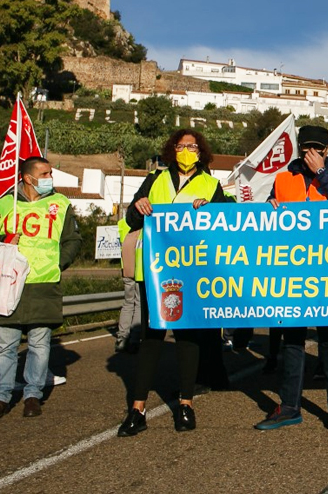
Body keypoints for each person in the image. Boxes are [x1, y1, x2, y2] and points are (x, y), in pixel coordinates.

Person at [118, 129, 233, 436]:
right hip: (154, 272)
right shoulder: (155, 180)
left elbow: (224, 225)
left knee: (188, 337)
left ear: (201, 152)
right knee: (152, 337)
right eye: (181, 146)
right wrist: (139, 208)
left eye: (192, 146)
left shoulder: (211, 184)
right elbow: (131, 217)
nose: (186, 150)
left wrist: (208, 212)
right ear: (172, 150)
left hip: (192, 272)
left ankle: (185, 404)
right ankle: (137, 409)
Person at [256, 125, 328, 431]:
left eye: (319, 149)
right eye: (307, 148)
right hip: (293, 272)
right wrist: (270, 206)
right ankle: (289, 406)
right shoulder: (284, 177)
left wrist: (322, 172)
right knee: (292, 340)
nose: (312, 154)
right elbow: (267, 218)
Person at [0, 157, 81, 419]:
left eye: (50, 173)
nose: (50, 178)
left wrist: (58, 263)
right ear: (28, 177)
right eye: (45, 173)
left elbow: (72, 239)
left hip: (44, 283)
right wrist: (3, 243)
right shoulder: (4, 204)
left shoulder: (60, 204)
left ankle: (33, 394)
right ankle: (1, 397)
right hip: (9, 285)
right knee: (5, 346)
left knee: (39, 344)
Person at [114, 217, 141, 353]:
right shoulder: (145, 221)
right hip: (140, 268)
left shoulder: (122, 223)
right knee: (138, 304)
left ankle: (122, 338)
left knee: (128, 303)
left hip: (126, 268)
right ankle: (134, 340)